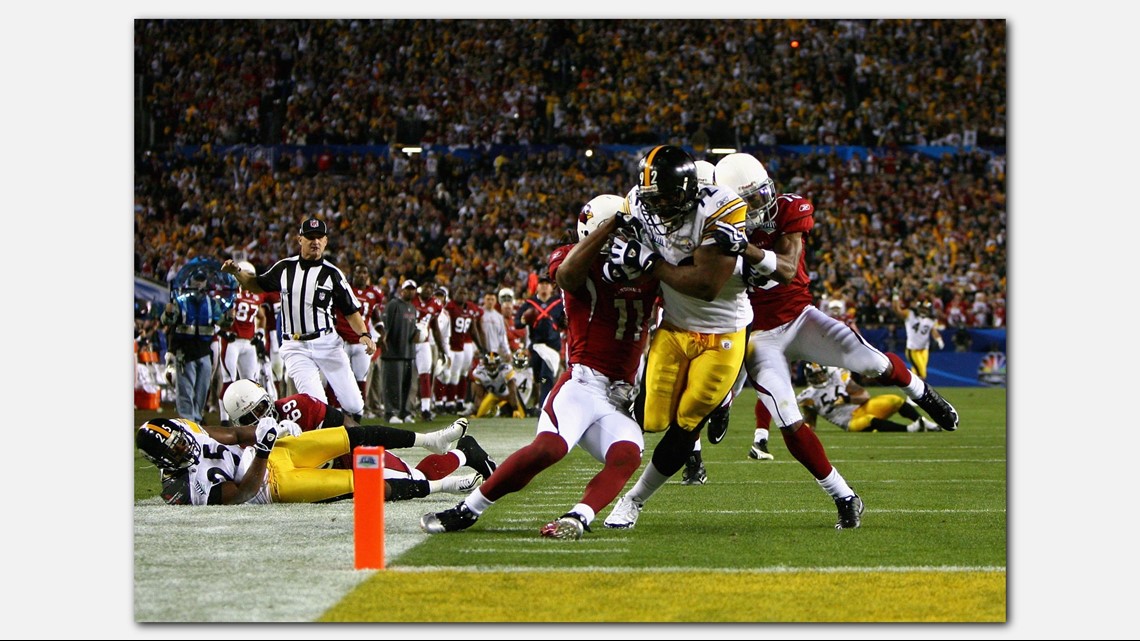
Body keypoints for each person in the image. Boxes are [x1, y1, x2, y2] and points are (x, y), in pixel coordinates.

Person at [702, 151, 960, 529]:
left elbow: (788, 268)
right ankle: (844, 495)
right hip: (758, 337)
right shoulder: (713, 230)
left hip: (801, 317)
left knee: (872, 363)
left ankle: (923, 393)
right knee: (787, 417)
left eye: (763, 193)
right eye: (752, 200)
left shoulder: (789, 209)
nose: (764, 204)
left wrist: (744, 247)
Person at [421, 194, 659, 539]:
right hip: (582, 383)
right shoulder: (574, 259)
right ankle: (467, 509)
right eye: (617, 238)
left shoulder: (648, 269)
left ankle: (577, 517)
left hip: (619, 394)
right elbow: (565, 276)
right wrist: (607, 231)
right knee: (550, 449)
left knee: (628, 453)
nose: (627, 245)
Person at [598, 145, 752, 530]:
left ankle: (633, 501)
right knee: (649, 420)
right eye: (654, 197)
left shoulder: (722, 207)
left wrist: (648, 263)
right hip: (675, 326)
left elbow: (706, 285)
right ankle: (720, 401)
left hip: (723, 332)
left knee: (687, 422)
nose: (659, 205)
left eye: (667, 197)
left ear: (689, 190)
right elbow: (624, 258)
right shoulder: (638, 202)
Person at [221, 217, 376, 422]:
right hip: (296, 345)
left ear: (326, 241)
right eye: (310, 237)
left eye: (319, 237)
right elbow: (256, 285)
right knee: (317, 405)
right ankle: (331, 446)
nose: (315, 242)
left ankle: (346, 435)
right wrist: (237, 272)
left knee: (355, 404)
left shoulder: (333, 274)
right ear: (299, 239)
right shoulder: (284, 268)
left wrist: (364, 334)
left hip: (327, 343)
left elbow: (350, 309)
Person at [136, 415, 482, 506]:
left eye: (181, 442)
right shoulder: (180, 488)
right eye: (175, 451)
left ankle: (429, 440)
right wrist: (263, 450)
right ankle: (442, 485)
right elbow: (242, 492)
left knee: (353, 435)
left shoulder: (189, 430)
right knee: (362, 486)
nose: (184, 448)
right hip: (272, 485)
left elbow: (236, 435)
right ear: (160, 461)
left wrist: (262, 432)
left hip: (278, 450)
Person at [222, 378, 497, 479]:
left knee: (420, 480)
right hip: (322, 480)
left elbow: (347, 426)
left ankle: (464, 452)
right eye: (250, 417)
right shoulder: (245, 445)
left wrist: (364, 451)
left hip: (348, 459)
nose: (260, 417)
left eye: (261, 407)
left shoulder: (298, 406)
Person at [160, 258, 235, 424]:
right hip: (185, 353)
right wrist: (168, 313)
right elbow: (167, 322)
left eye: (202, 282)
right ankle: (188, 421)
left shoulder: (211, 303)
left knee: (202, 389)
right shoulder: (180, 302)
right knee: (185, 390)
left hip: (203, 352)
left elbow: (221, 322)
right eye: (197, 281)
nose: (199, 285)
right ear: (191, 282)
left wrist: (229, 319)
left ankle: (197, 417)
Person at [798, 363, 941, 433]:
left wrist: (847, 399)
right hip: (849, 421)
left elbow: (864, 396)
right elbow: (811, 424)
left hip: (862, 407)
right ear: (808, 378)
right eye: (814, 376)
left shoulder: (837, 378)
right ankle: (910, 429)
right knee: (868, 420)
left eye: (820, 374)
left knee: (894, 400)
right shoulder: (808, 396)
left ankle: (924, 423)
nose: (819, 378)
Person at [329, 264, 386, 413]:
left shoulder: (373, 294)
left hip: (361, 341)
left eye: (364, 272)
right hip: (342, 340)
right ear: (353, 274)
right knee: (337, 376)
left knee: (361, 378)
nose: (361, 275)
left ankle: (359, 411)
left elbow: (376, 317)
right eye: (358, 272)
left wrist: (383, 334)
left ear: (368, 276)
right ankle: (335, 410)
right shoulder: (344, 289)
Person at [217, 261, 267, 426]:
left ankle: (250, 416)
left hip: (248, 343)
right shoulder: (229, 293)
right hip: (232, 341)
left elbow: (261, 316)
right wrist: (222, 331)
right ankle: (225, 420)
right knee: (228, 380)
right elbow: (215, 315)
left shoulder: (255, 296)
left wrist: (259, 334)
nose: (249, 279)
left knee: (251, 382)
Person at [514, 276, 565, 407]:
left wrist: (563, 322)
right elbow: (517, 323)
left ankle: (543, 407)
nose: (544, 286)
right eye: (541, 284)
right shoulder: (529, 303)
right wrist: (526, 320)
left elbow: (565, 322)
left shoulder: (558, 303)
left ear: (551, 287)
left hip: (552, 347)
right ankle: (544, 401)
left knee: (546, 377)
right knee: (538, 377)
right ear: (537, 286)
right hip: (536, 346)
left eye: (547, 284)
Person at [440, 285, 486, 415]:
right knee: (449, 374)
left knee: (463, 373)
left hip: (463, 346)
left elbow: (473, 329)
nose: (463, 296)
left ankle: (458, 401)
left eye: (465, 293)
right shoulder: (449, 307)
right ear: (454, 294)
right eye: (460, 293)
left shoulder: (470, 307)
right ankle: (446, 402)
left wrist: (481, 346)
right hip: (450, 346)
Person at [381, 280, 419, 425]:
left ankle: (405, 412)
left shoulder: (413, 307)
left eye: (413, 289)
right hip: (393, 352)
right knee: (392, 385)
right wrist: (384, 342)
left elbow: (413, 329)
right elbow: (385, 326)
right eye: (407, 289)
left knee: (406, 385)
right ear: (401, 290)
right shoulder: (393, 304)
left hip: (409, 352)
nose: (410, 292)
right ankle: (391, 413)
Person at [411, 282, 448, 421]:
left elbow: (435, 327)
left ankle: (425, 409)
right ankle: (407, 408)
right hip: (408, 342)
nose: (427, 290)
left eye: (430, 288)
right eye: (425, 287)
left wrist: (442, 348)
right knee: (409, 376)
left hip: (424, 342)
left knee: (425, 374)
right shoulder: (412, 299)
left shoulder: (435, 305)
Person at [891, 296, 944, 380]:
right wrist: (896, 297)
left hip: (924, 350)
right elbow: (897, 310)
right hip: (913, 350)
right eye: (922, 308)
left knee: (917, 373)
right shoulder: (910, 314)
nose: (923, 311)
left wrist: (939, 339)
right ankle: (920, 392)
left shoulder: (931, 320)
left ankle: (911, 389)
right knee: (922, 374)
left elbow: (934, 331)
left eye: (925, 309)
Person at [468, 351, 527, 419]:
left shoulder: (506, 370)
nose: (492, 366)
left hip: (508, 395)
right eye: (489, 364)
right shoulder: (478, 373)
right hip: (493, 396)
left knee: (521, 416)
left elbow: (512, 391)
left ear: (499, 364)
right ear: (485, 364)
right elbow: (479, 395)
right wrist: (476, 410)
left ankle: (505, 409)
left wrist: (515, 409)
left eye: (494, 364)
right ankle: (495, 409)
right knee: (479, 415)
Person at [479, 291, 511, 361]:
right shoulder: (479, 313)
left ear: (496, 301)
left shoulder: (499, 317)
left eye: (492, 299)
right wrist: (475, 348)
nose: (490, 302)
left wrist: (507, 352)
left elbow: (502, 335)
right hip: (480, 350)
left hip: (495, 351)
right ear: (484, 300)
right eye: (488, 299)